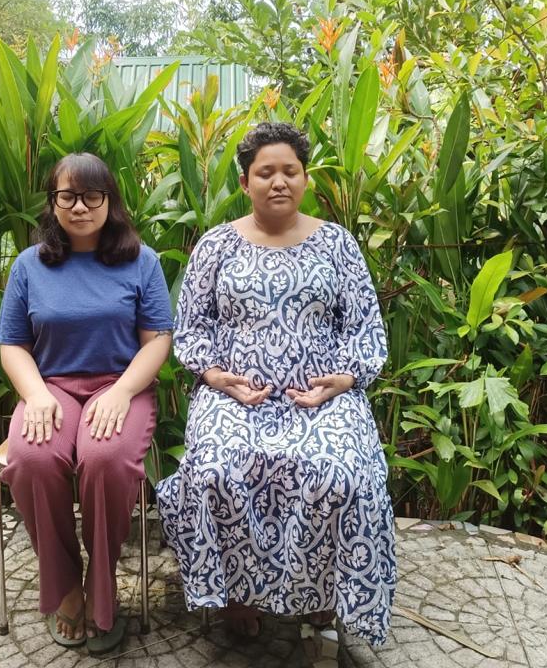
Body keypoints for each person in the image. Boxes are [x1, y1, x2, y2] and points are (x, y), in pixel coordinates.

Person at [156, 122, 395, 644]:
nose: (279, 181)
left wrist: (343, 379)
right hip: (235, 394)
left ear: (306, 178)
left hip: (321, 396)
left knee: (342, 472)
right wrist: (215, 376)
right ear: (245, 183)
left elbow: (366, 326)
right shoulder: (216, 245)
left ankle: (322, 595)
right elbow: (192, 326)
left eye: (291, 170)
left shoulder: (338, 245)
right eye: (265, 172)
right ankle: (236, 595)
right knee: (218, 469)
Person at [0, 152, 173, 655]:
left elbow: (157, 339)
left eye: (91, 195)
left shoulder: (142, 261)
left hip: (120, 386)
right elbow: (12, 343)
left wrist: (121, 391)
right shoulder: (30, 265)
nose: (79, 206)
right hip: (51, 386)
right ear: (52, 203)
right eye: (66, 196)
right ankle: (66, 587)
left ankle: (102, 580)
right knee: (30, 460)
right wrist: (35, 394)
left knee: (105, 460)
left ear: (109, 200)